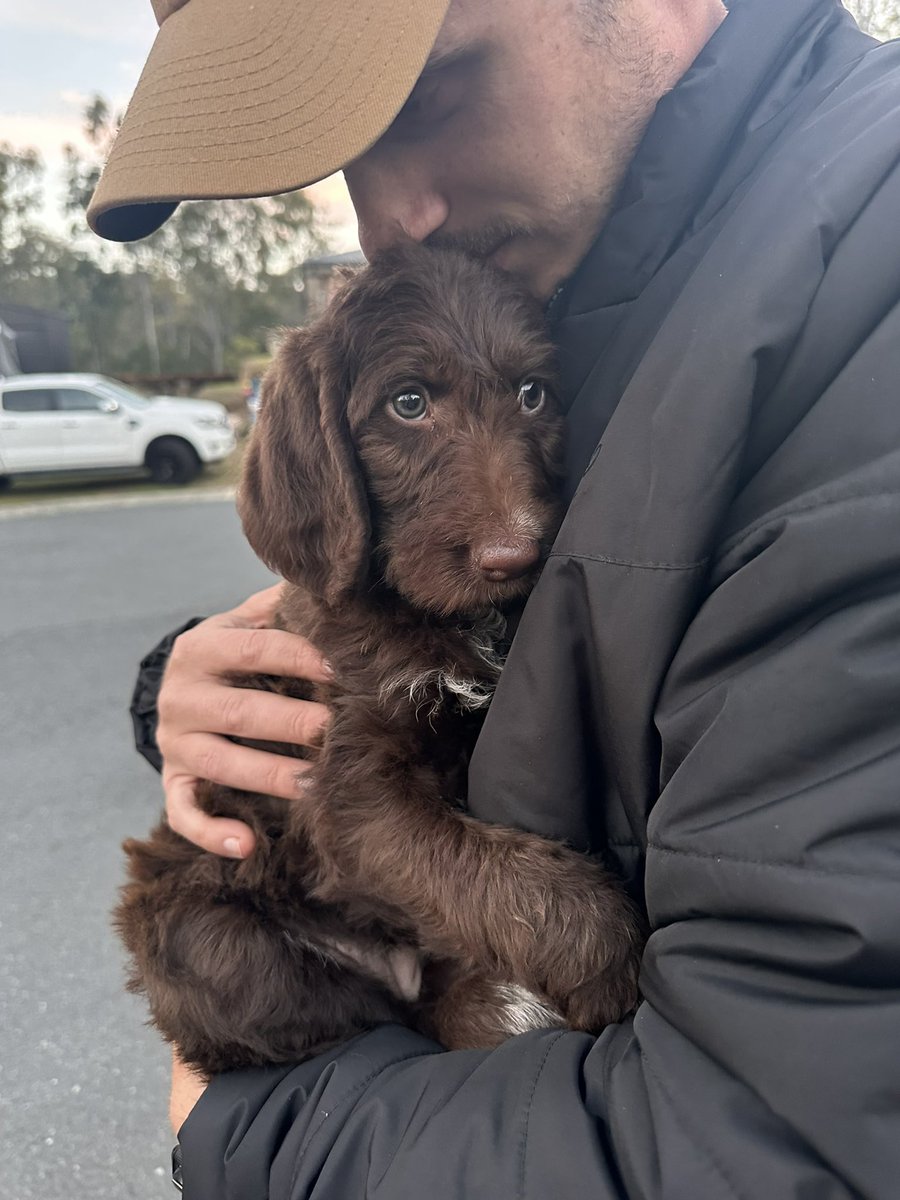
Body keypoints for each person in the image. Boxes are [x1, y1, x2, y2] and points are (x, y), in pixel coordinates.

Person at [89, 0, 900, 1195]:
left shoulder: (855, 304)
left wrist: (249, 1128)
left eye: (424, 98)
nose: (392, 221)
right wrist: (193, 682)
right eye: (337, 160)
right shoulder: (598, 261)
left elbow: (775, 1136)